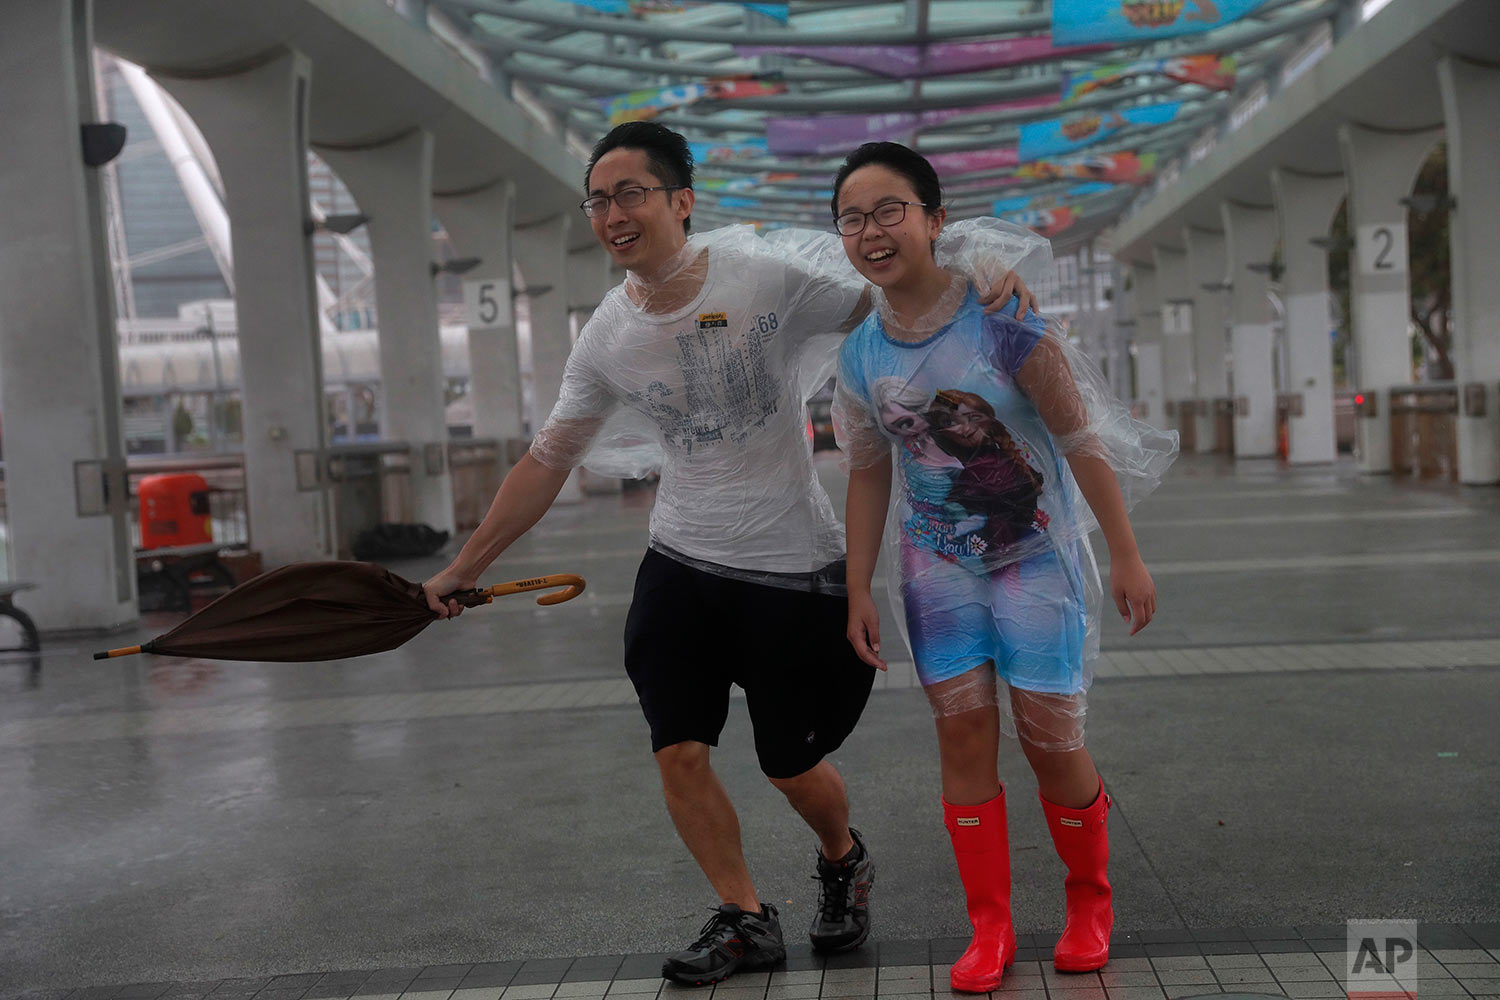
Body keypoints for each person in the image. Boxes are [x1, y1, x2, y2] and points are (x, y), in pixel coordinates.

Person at [421, 122, 1042, 987]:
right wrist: (465, 566)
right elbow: (547, 459)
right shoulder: (606, 337)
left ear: (682, 201)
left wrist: (975, 267)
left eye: (631, 193)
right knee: (678, 747)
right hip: (680, 561)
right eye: (598, 200)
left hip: (791, 571)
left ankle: (842, 857)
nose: (612, 214)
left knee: (790, 763)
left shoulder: (766, 278)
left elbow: (897, 300)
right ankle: (745, 915)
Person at [829, 142, 1174, 992]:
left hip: (1037, 564)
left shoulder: (1005, 318)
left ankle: (1090, 902)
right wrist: (856, 585)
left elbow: (1078, 439)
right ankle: (990, 928)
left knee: (1051, 740)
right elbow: (870, 472)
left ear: (934, 220)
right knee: (963, 733)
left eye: (889, 210)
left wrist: (1126, 553)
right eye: (851, 218)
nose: (872, 231)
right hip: (935, 571)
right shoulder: (860, 355)